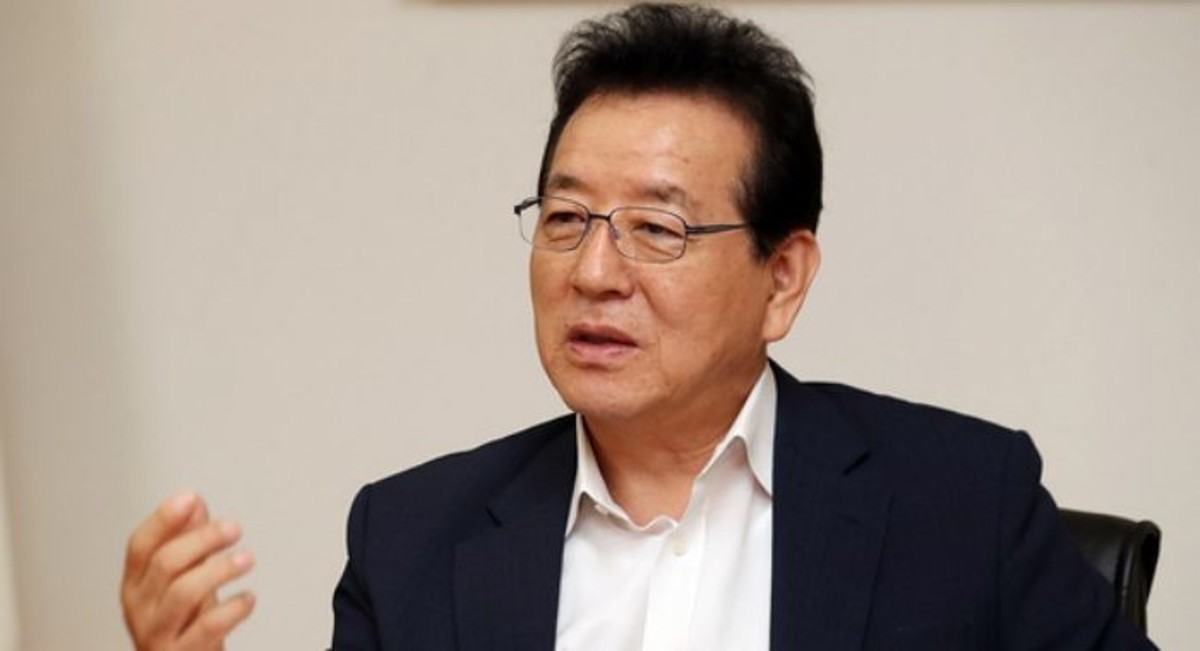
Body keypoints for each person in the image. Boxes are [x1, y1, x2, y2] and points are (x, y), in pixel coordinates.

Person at [120, 3, 1158, 649]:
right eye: (565, 219)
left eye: (657, 229)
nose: (593, 271)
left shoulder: (962, 504)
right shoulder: (412, 540)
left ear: (783, 277)